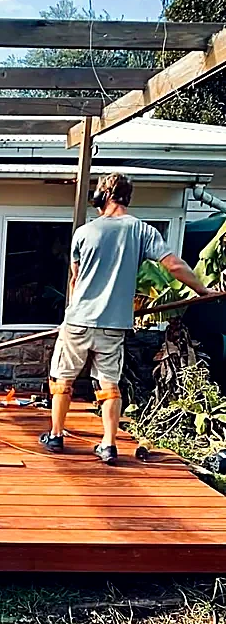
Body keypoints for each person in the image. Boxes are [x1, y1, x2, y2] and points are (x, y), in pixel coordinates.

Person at [40, 171, 212, 466]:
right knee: (108, 385)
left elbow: (75, 281)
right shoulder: (143, 232)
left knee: (62, 379)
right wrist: (202, 289)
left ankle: (56, 435)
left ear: (104, 196)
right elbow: (173, 264)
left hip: (79, 321)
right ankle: (108, 445)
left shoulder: (84, 232)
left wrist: (70, 315)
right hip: (113, 324)